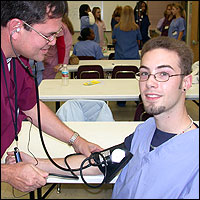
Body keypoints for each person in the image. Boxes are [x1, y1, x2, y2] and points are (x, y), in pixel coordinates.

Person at [6, 36, 199, 199]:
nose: (150, 83)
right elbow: (101, 163)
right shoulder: (144, 131)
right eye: (144, 73)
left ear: (186, 82)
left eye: (164, 74)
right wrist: (36, 163)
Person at [1, 1, 102, 193]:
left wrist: (77, 141)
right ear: (16, 27)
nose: (54, 42)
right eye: (47, 35)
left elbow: (31, 107)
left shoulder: (18, 59)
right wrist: (7, 173)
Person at [43, 12, 74, 79]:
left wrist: (60, 63)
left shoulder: (59, 26)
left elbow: (61, 45)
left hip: (55, 60)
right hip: (59, 59)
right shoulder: (65, 25)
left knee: (47, 80)